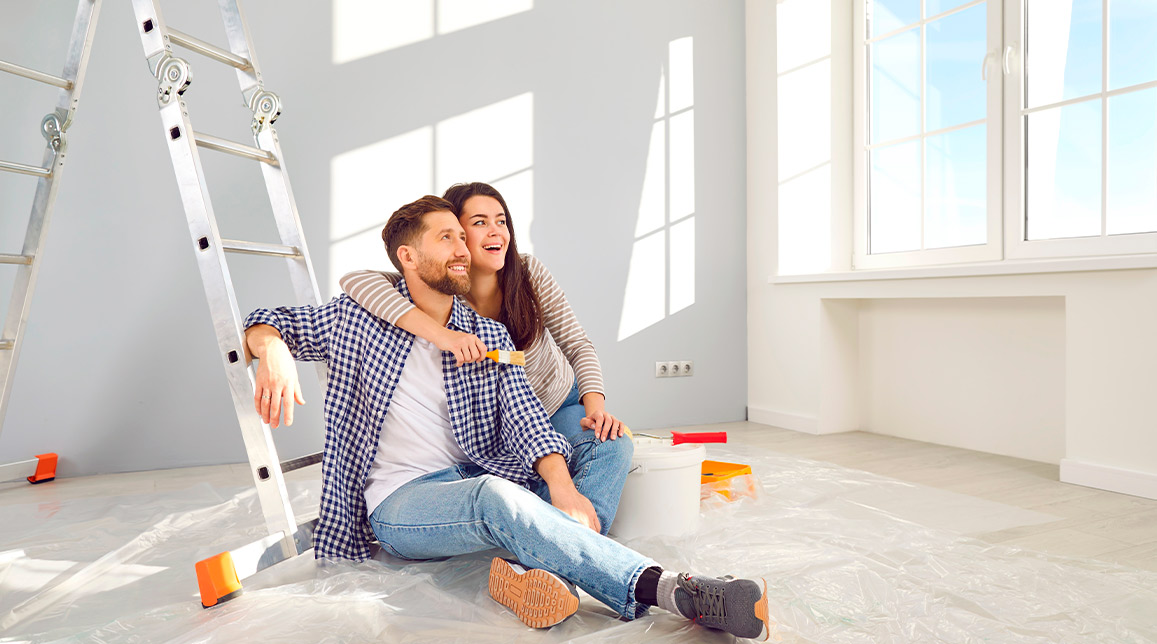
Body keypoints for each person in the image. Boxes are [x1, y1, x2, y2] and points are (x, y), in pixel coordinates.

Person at [243, 196, 773, 639]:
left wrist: (562, 487)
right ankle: (674, 591)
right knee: (496, 497)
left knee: (580, 462)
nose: (463, 250)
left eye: (461, 236)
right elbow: (265, 321)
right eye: (447, 238)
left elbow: (526, 420)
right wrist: (272, 351)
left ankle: (548, 579)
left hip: (471, 480)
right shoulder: (356, 318)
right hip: (399, 503)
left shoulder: (490, 338)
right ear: (407, 256)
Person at [339, 182, 629, 535]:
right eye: (478, 223)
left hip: (557, 403)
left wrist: (595, 407)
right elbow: (356, 281)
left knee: (613, 444)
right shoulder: (439, 291)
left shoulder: (528, 274)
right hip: (502, 426)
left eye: (501, 221)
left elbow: (578, 344)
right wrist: (444, 337)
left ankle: (573, 549)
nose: (496, 232)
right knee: (507, 490)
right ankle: (565, 548)